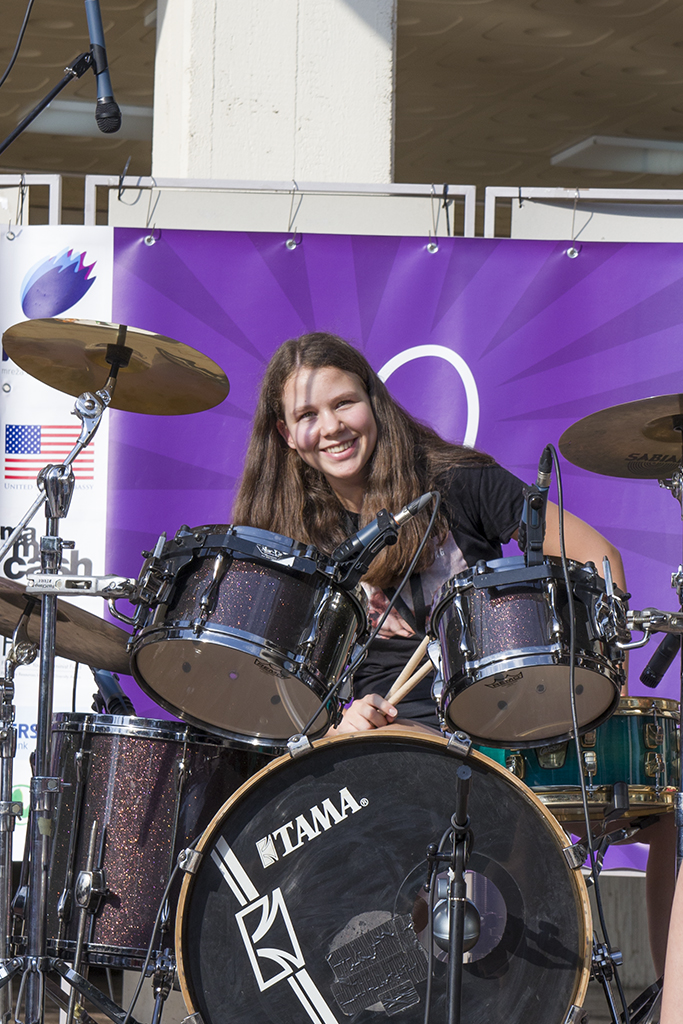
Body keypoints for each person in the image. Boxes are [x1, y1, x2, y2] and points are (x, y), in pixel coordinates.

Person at [232, 331, 673, 974]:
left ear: (373, 402)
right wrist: (331, 727)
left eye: (344, 403)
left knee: (669, 817)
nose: (331, 427)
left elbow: (597, 558)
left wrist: (602, 697)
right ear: (285, 433)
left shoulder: (456, 482)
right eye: (308, 415)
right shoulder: (285, 527)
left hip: (503, 732)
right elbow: (268, 680)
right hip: (385, 750)